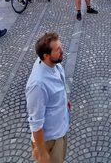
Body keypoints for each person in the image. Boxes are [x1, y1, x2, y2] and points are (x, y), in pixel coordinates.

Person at [26, 32, 70, 163]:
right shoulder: (37, 85)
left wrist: (63, 100)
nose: (62, 51)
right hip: (49, 140)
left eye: (60, 47)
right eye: (57, 50)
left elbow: (56, 88)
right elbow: (35, 123)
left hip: (60, 130)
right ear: (46, 56)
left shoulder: (54, 64)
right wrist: (42, 153)